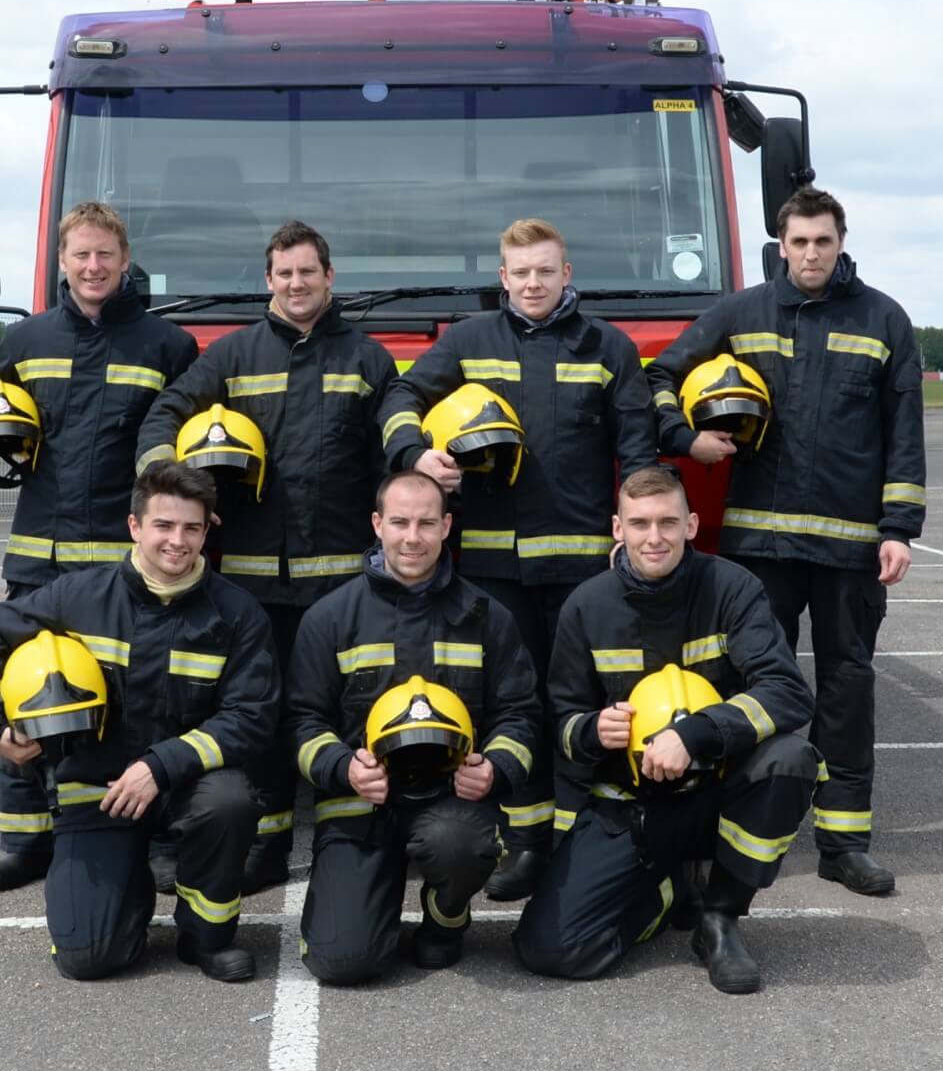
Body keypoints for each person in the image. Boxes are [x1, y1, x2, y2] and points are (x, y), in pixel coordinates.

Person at [645, 186, 925, 896]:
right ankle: (740, 826)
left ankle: (842, 840)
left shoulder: (884, 319)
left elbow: (905, 437)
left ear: (841, 241)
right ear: (781, 243)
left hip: (850, 549)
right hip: (759, 555)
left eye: (823, 241)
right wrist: (687, 439)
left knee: (847, 689)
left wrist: (898, 530)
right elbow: (659, 376)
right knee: (752, 690)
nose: (811, 254)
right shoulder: (742, 313)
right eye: (799, 242)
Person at [378, 218, 657, 901]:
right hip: (494, 575)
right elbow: (401, 395)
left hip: (583, 575)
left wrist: (635, 526)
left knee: (584, 706)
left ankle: (588, 838)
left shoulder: (608, 348)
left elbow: (641, 450)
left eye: (545, 270)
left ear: (568, 274)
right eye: (520, 272)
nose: (533, 282)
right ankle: (527, 840)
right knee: (518, 706)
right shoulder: (470, 341)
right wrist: (414, 451)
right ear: (503, 279)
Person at [0, 201, 197, 893]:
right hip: (40, 560)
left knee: (147, 700)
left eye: (105, 254)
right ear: (62, 261)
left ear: (125, 259)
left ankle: (162, 841)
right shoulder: (26, 339)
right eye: (81, 254)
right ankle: (28, 840)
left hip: (126, 562)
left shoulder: (166, 346)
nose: (94, 266)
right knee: (29, 692)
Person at [137, 222, 396, 893]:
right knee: (266, 716)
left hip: (342, 584)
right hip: (252, 585)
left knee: (344, 710)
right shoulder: (232, 356)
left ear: (329, 277)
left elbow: (391, 444)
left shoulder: (367, 358)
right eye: (284, 273)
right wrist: (172, 481)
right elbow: (167, 410)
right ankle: (268, 845)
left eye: (307, 272)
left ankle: (353, 837)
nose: (296, 283)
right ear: (268, 280)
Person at [0, 463, 278, 983]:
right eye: (164, 526)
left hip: (186, 785)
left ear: (207, 530)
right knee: (90, 958)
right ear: (134, 527)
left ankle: (204, 936)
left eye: (192, 528)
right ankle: (122, 886)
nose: (177, 541)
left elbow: (251, 717)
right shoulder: (78, 596)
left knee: (230, 803)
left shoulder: (236, 613)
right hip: (97, 787)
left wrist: (159, 766)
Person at [513, 468, 818, 993]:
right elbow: (558, 723)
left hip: (717, 792)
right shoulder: (586, 605)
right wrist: (591, 731)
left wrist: (698, 733)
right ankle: (666, 893)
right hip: (630, 803)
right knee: (551, 950)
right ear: (617, 528)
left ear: (692, 524)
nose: (654, 537)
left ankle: (719, 917)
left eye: (667, 522)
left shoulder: (733, 588)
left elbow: (787, 692)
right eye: (640, 523)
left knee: (790, 759)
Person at [287, 471, 541, 983]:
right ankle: (361, 915)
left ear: (447, 526)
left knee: (461, 846)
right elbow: (302, 721)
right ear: (377, 524)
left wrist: (494, 769)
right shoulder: (330, 618)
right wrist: (343, 768)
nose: (412, 537)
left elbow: (522, 713)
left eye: (427, 522)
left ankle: (445, 919)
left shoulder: (488, 616)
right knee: (342, 963)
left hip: (451, 801)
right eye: (399, 522)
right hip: (360, 803)